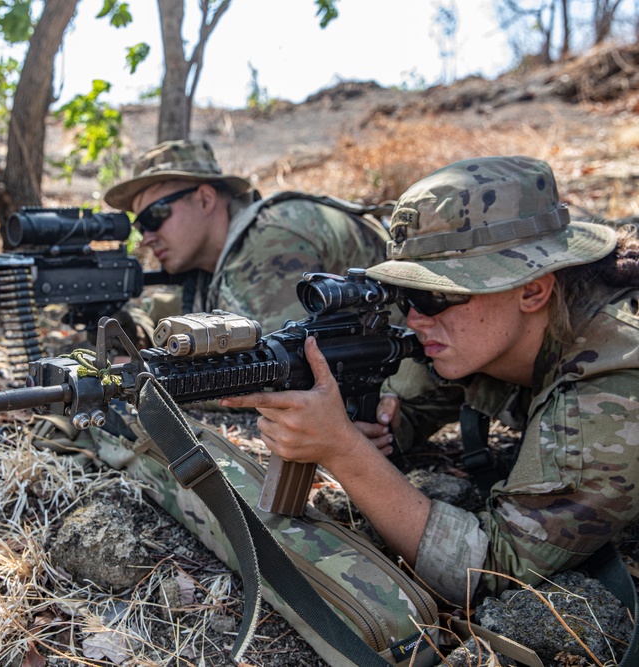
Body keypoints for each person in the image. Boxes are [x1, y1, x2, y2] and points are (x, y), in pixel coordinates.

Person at [219, 155, 639, 603]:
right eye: (404, 294)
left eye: (436, 295)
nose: (415, 318)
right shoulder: (482, 333)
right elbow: (404, 408)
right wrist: (373, 426)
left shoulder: (612, 381)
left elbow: (493, 569)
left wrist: (344, 452)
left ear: (533, 289)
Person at [103, 139, 390, 334]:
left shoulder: (269, 239)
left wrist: (141, 373)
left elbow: (273, 369)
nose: (147, 238)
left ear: (205, 199)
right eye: (141, 226)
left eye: (154, 217)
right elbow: (166, 313)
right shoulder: (210, 264)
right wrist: (130, 328)